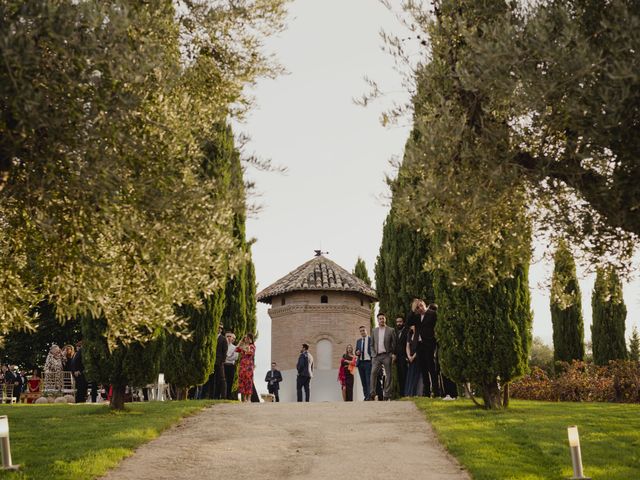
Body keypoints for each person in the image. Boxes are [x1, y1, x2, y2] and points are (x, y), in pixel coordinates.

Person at [408, 299, 440, 397]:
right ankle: (427, 393)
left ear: (424, 304)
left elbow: (437, 327)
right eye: (417, 307)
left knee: (431, 368)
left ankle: (436, 392)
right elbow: (408, 322)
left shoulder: (432, 314)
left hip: (429, 343)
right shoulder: (416, 316)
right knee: (423, 369)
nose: (420, 308)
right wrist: (413, 311)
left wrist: (434, 339)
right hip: (419, 345)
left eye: (421, 306)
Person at [369, 312, 396, 401]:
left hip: (386, 355)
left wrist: (392, 353)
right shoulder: (374, 330)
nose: (381, 320)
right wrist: (373, 354)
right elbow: (371, 344)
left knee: (389, 375)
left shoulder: (391, 330)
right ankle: (372, 393)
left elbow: (394, 343)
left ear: (385, 319)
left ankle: (387, 394)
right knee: (373, 373)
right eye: (380, 318)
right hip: (376, 356)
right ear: (377, 320)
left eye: (383, 318)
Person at [236, 333, 256, 402]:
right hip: (242, 366)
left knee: (249, 381)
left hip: (249, 366)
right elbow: (236, 349)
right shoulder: (243, 345)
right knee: (242, 381)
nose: (247, 339)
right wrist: (241, 341)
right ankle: (244, 398)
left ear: (251, 339)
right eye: (246, 338)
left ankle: (249, 398)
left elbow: (249, 352)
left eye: (248, 338)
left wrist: (245, 347)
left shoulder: (252, 346)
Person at [354, 325, 372, 400]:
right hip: (360, 363)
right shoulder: (358, 341)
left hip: (368, 362)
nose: (362, 332)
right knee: (363, 381)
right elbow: (356, 351)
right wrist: (357, 352)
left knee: (368, 380)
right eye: (361, 331)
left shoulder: (371, 339)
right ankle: (366, 396)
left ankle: (369, 396)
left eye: (363, 330)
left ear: (366, 330)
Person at [212, 324, 228, 399]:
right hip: (212, 361)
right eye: (218, 328)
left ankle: (223, 396)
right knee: (212, 379)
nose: (219, 329)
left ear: (221, 330)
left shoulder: (223, 339)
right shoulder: (212, 337)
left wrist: (222, 361)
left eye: (220, 328)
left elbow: (225, 351)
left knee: (221, 379)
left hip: (219, 362)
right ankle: (213, 395)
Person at [404, 325, 421, 396]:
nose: (413, 327)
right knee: (410, 375)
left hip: (418, 357)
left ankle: (414, 393)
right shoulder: (410, 334)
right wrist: (409, 356)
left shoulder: (419, 335)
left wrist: (413, 357)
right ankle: (408, 393)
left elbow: (420, 347)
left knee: (416, 375)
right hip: (410, 358)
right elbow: (407, 346)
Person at [395, 316, 409, 397]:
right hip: (398, 359)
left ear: (403, 322)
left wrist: (407, 356)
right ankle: (402, 394)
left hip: (405, 357)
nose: (398, 323)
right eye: (397, 322)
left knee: (406, 376)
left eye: (400, 321)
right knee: (400, 376)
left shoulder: (407, 331)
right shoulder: (397, 332)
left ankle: (407, 393)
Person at [224, 332, 239, 400]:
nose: (229, 338)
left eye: (231, 337)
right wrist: (228, 357)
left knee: (230, 381)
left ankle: (228, 396)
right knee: (222, 381)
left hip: (231, 366)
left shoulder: (235, 347)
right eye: (228, 336)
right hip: (223, 365)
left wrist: (227, 357)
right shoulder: (223, 346)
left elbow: (235, 357)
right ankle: (222, 395)